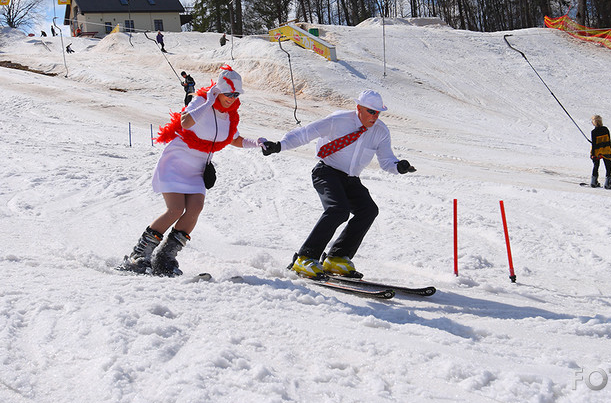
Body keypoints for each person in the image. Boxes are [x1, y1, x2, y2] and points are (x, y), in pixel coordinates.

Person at [118, 64, 266, 277]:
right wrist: (209, 101)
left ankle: (165, 258)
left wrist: (258, 143)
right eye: (228, 93)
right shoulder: (201, 101)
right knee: (175, 209)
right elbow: (185, 122)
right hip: (176, 162)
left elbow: (234, 138)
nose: (232, 98)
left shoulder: (230, 115)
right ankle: (139, 255)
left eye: (236, 94)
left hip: (197, 169)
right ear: (218, 90)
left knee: (195, 208)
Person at [261, 90, 416, 279]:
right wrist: (279, 145)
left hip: (351, 179)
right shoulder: (338, 120)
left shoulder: (380, 131)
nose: (374, 117)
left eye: (378, 113)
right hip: (326, 171)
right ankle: (305, 258)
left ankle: (337, 257)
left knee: (368, 210)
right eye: (371, 111)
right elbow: (305, 134)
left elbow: (387, 160)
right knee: (338, 210)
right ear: (358, 108)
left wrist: (398, 167)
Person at [590, 114, 611, 189]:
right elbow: (609, 140)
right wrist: (609, 150)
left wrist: (593, 154)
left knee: (596, 165)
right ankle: (608, 183)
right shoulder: (605, 129)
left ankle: (593, 182)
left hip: (597, 152)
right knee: (608, 166)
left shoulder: (593, 132)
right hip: (606, 150)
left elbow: (594, 144)